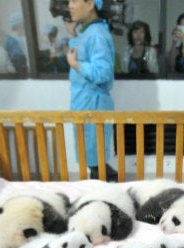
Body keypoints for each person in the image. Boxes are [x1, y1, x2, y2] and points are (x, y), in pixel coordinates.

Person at [67, 0, 118, 181]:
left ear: (90, 4)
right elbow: (82, 53)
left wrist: (75, 64)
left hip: (93, 104)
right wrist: (73, 35)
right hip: (84, 102)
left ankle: (111, 192)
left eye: (74, 1)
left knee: (95, 161)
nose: (70, 6)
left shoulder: (96, 34)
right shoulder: (87, 32)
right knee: (91, 159)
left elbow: (103, 72)